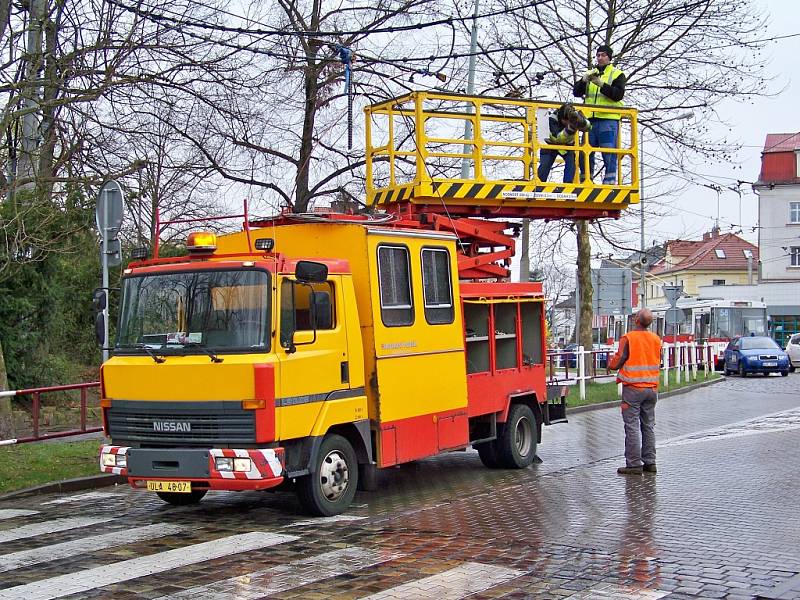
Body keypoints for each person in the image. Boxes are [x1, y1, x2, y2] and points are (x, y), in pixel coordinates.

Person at [608, 308, 662, 475]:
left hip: (633, 389)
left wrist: (610, 366)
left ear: (636, 320)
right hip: (651, 389)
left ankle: (634, 464)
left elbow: (619, 359)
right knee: (648, 426)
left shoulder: (628, 338)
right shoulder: (656, 339)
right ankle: (650, 463)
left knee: (631, 426)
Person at [573, 44, 626, 185]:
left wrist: (601, 84)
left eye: (603, 55)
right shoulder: (591, 73)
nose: (600, 58)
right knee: (585, 151)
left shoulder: (617, 74)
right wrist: (583, 81)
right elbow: (576, 93)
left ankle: (609, 182)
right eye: (598, 55)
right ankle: (586, 179)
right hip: (590, 119)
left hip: (608, 118)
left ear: (609, 57)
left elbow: (618, 95)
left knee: (608, 151)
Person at [537, 103, 591, 183]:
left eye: (569, 121)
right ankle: (539, 183)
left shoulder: (575, 116)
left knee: (571, 163)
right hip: (550, 144)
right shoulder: (552, 119)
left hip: (568, 146)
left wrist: (583, 122)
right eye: (566, 121)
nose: (567, 123)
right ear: (561, 117)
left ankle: (568, 184)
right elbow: (557, 138)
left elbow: (589, 127)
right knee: (545, 165)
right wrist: (570, 129)